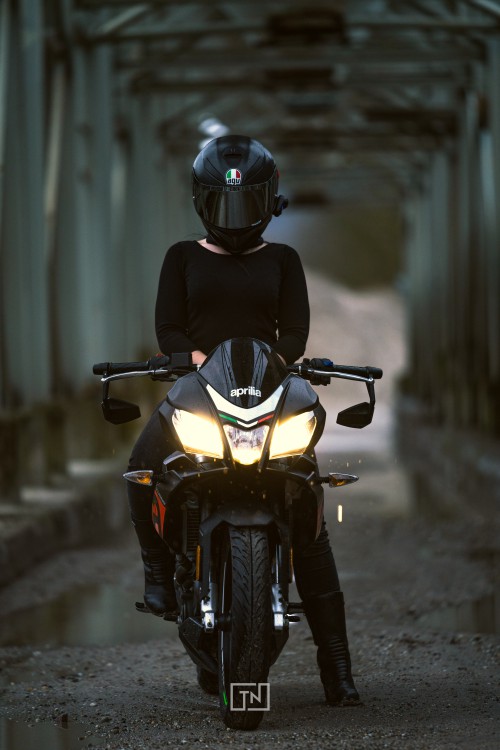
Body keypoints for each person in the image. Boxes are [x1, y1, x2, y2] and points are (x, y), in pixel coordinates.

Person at [127, 134, 360, 707]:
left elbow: (295, 332)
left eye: (246, 203)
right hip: (199, 389)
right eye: (223, 203)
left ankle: (338, 671)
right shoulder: (181, 257)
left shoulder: (284, 259)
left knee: (308, 508)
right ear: (202, 202)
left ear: (268, 201)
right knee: (141, 467)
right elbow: (168, 328)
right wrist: (191, 356)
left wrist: (277, 361)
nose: (235, 216)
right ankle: (157, 570)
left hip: (268, 393)